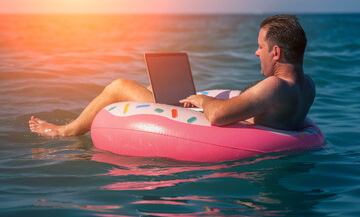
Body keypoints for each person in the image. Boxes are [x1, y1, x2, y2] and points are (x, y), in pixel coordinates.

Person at [29, 14, 315, 137]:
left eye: (260, 47)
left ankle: (63, 132)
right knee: (155, 87)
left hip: (214, 127)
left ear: (276, 53)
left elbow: (217, 116)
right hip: (255, 128)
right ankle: (161, 92)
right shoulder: (307, 86)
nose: (256, 53)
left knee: (119, 86)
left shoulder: (275, 87)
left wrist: (202, 99)